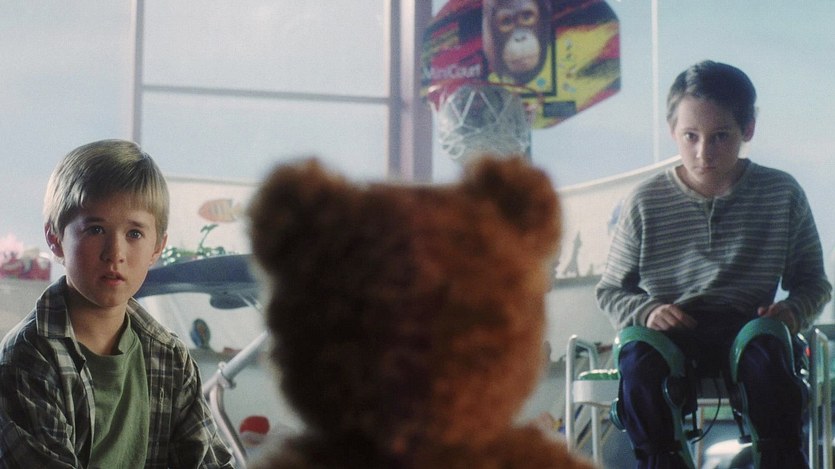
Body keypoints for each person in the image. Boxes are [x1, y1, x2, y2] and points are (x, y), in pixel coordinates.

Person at [596, 60, 831, 468]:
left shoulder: (782, 193)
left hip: (750, 326)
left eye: (720, 136)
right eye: (691, 136)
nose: (703, 152)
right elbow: (611, 290)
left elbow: (814, 283)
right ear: (673, 131)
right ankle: (663, 461)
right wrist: (647, 311)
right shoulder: (645, 201)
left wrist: (793, 311)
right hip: (672, 332)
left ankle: (777, 458)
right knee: (638, 359)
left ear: (747, 130)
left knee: (770, 356)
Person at [0, 140, 234, 468]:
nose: (115, 253)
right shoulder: (28, 360)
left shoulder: (170, 359)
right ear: (55, 238)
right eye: (96, 229)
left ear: (157, 247)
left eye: (134, 234)